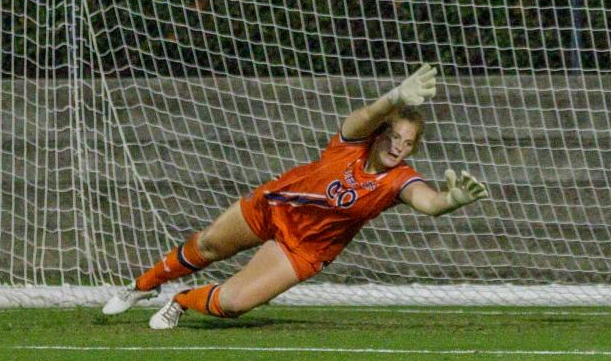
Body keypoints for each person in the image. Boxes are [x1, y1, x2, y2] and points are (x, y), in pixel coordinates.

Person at [101, 64, 487, 328]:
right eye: (392, 136)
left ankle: (181, 301)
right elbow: (365, 115)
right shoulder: (351, 143)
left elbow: (428, 202)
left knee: (235, 303)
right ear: (380, 133)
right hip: (276, 205)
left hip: (304, 249)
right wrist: (394, 96)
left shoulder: (398, 180)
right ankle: (141, 287)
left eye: (407, 143)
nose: (398, 147)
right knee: (209, 245)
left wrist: (449, 201)